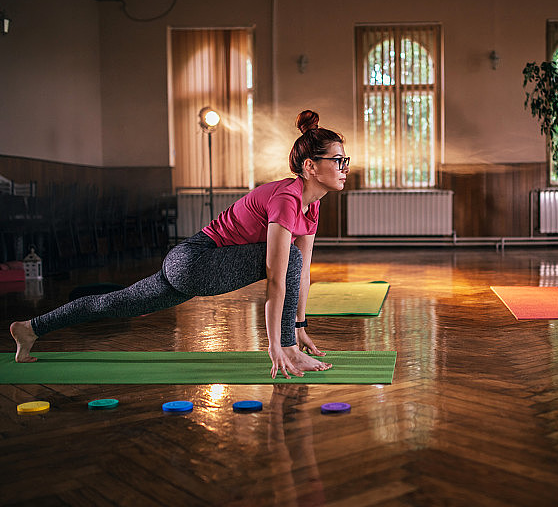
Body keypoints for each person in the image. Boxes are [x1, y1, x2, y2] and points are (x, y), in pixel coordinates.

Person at [10, 110, 349, 379]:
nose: (344, 167)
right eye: (337, 160)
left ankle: (30, 329)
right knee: (286, 257)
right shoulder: (286, 199)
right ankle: (288, 349)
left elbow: (301, 272)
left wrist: (300, 324)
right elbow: (278, 276)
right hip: (196, 261)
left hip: (191, 263)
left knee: (118, 303)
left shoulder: (312, 204)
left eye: (344, 160)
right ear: (310, 166)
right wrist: (280, 345)